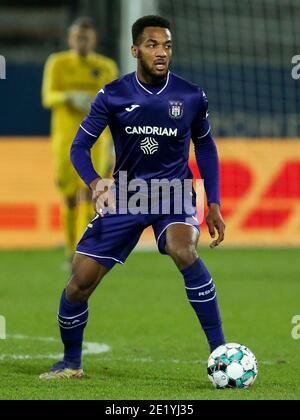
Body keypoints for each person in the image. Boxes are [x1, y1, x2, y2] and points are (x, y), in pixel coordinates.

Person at [40, 15, 226, 380]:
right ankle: (71, 363)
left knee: (183, 248)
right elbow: (79, 147)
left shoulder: (191, 95)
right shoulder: (113, 94)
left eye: (167, 46)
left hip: (173, 193)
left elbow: (205, 146)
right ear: (135, 50)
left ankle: (221, 352)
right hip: (127, 194)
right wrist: (96, 182)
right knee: (79, 282)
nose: (162, 53)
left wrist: (215, 202)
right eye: (153, 45)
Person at [42, 17, 118, 263]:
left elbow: (116, 104)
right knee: (68, 195)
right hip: (65, 140)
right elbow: (47, 96)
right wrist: (68, 97)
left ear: (93, 40)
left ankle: (84, 252)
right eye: (77, 37)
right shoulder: (58, 63)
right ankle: (69, 249)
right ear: (70, 39)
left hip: (96, 140)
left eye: (86, 37)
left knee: (91, 191)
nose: (81, 42)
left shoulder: (106, 67)